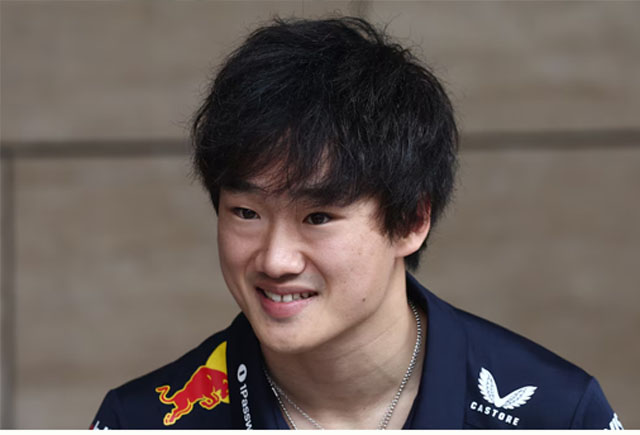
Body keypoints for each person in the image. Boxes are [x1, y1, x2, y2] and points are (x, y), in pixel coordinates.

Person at [91, 16, 623, 430]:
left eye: (318, 217)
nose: (275, 259)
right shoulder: (142, 420)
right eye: (246, 213)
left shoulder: (557, 412)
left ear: (411, 221)